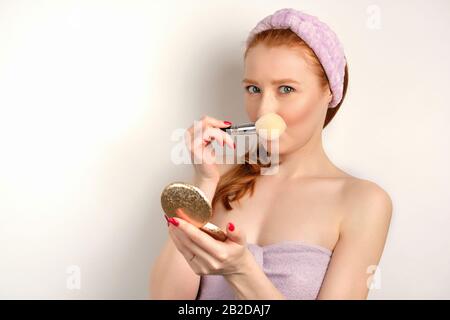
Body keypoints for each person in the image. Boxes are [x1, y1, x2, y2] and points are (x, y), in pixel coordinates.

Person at [150, 8, 392, 300]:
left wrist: (242, 272)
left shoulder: (363, 201)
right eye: (253, 88)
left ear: (329, 92)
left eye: (286, 89)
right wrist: (203, 184)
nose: (263, 111)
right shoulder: (219, 179)